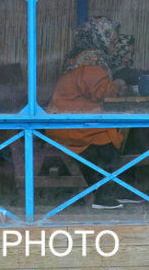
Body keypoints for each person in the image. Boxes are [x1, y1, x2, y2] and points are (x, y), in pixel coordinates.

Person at [46, 16, 130, 210]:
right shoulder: (92, 60)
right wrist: (116, 85)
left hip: (63, 120)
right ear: (101, 36)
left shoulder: (78, 57)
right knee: (108, 139)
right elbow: (100, 91)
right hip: (71, 124)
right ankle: (105, 196)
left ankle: (107, 192)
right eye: (112, 38)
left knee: (108, 135)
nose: (114, 43)